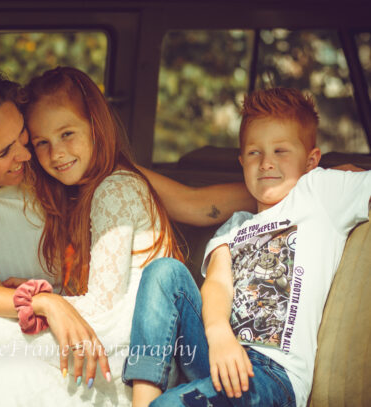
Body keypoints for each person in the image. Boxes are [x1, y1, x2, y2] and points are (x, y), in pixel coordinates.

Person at [0, 58, 254, 406]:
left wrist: (286, 189)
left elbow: (197, 204)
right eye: (6, 150)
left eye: (23, 138)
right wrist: (38, 300)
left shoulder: (81, 175)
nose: (29, 155)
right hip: (60, 310)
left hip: (115, 329)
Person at [122, 87, 371, 407]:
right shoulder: (235, 224)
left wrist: (345, 173)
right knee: (163, 271)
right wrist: (219, 334)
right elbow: (217, 284)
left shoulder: (319, 192)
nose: (267, 162)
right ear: (241, 161)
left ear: (311, 160)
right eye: (255, 152)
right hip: (216, 353)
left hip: (273, 374)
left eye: (281, 151)